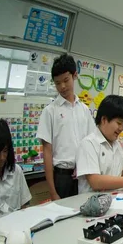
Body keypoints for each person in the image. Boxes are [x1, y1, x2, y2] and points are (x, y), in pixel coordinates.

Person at [37, 54, 95, 201]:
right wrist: (52, 192)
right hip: (61, 176)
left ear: (75, 75)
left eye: (66, 80)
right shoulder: (50, 111)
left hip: (83, 174)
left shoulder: (84, 109)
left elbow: (91, 144)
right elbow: (47, 151)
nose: (62, 86)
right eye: (57, 83)